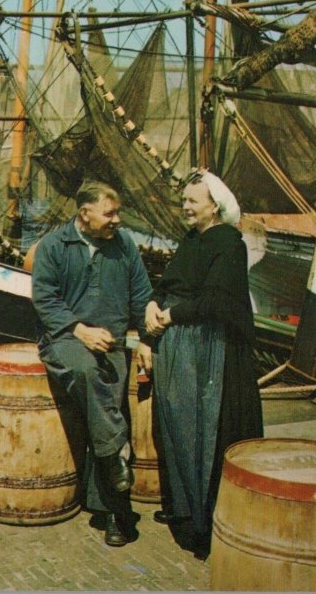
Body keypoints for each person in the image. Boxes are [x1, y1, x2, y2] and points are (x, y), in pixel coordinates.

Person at [137, 170, 263, 560]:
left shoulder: (228, 244)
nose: (185, 208)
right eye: (184, 201)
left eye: (193, 201)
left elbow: (217, 303)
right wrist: (152, 305)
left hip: (211, 354)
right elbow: (169, 282)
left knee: (206, 434)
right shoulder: (191, 240)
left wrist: (170, 315)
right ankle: (184, 509)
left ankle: (205, 522)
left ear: (215, 206)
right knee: (179, 429)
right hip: (180, 349)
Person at [32, 180, 152, 547]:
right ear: (84, 214)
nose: (117, 220)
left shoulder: (124, 246)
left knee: (109, 404)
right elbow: (45, 299)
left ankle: (113, 512)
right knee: (87, 372)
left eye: (117, 212)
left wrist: (146, 339)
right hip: (65, 340)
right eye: (109, 213)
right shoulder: (54, 246)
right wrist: (80, 331)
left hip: (111, 344)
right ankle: (117, 458)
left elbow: (142, 296)